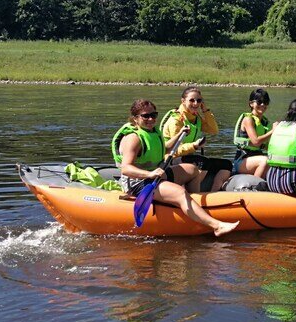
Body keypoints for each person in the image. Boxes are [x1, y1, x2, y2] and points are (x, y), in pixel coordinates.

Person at [112, 99, 239, 237]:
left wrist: (180, 135)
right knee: (179, 192)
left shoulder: (153, 132)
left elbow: (164, 149)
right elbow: (126, 168)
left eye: (153, 115)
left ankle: (194, 208)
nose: (151, 119)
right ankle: (217, 226)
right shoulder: (133, 138)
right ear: (135, 118)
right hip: (138, 182)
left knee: (193, 170)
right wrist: (149, 174)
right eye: (145, 116)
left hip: (156, 176)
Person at [160, 86, 232, 192]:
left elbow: (214, 130)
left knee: (226, 164)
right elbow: (175, 149)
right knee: (203, 163)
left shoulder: (196, 118)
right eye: (192, 100)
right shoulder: (176, 120)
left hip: (188, 157)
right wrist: (194, 146)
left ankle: (213, 195)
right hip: (171, 159)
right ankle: (189, 191)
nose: (195, 103)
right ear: (183, 101)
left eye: (199, 100)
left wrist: (205, 111)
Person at [232, 88, 275, 179]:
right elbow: (256, 142)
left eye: (265, 102)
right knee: (265, 160)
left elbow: (267, 146)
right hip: (243, 160)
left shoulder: (264, 122)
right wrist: (273, 131)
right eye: (259, 102)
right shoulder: (248, 119)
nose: (262, 104)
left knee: (275, 161)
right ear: (251, 103)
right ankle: (255, 185)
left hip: (257, 156)